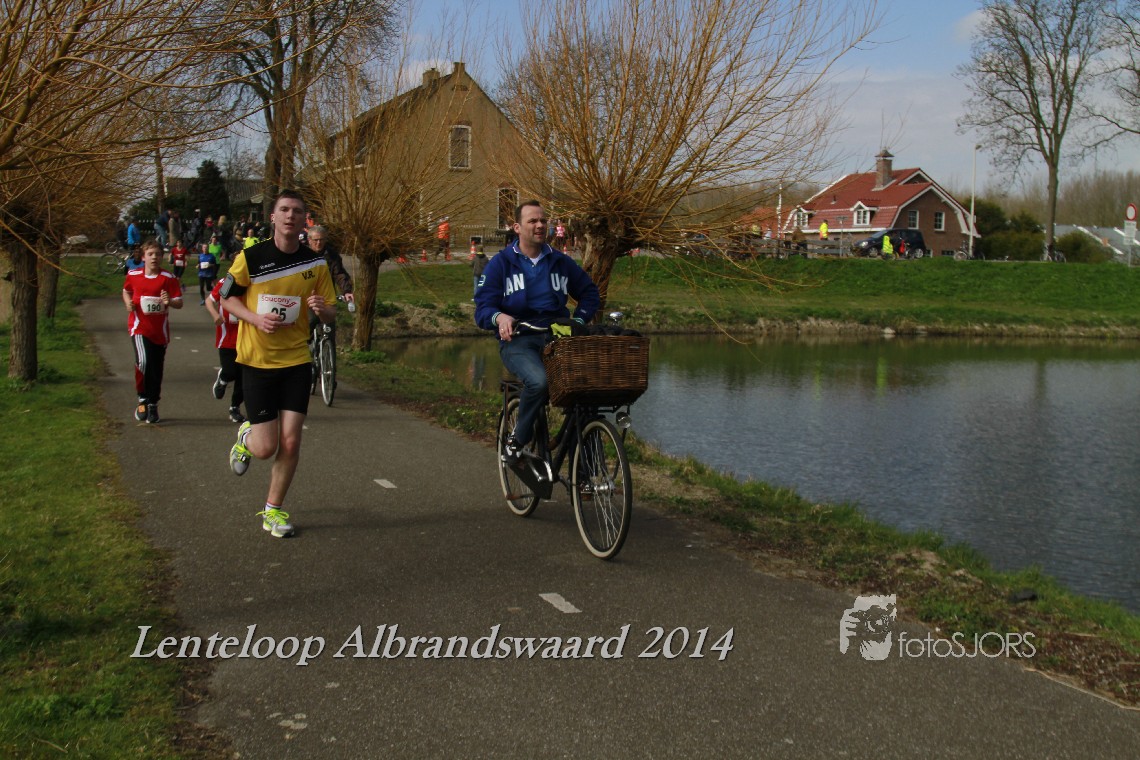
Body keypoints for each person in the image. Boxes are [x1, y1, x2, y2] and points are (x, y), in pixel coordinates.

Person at [220, 190, 337, 538]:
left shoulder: (315, 264)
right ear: (273, 217)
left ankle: (273, 510)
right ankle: (246, 436)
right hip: (258, 361)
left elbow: (330, 313)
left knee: (291, 441)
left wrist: (322, 309)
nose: (290, 216)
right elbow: (227, 299)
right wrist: (255, 318)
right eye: (284, 210)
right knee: (265, 447)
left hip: (296, 360)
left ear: (305, 221)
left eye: (297, 211)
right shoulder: (251, 257)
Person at [473, 200, 601, 461]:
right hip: (519, 340)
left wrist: (579, 321)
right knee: (539, 382)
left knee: (587, 388)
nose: (540, 225)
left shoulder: (560, 261)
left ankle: (585, 468)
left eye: (543, 220)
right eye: (532, 221)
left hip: (557, 338)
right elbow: (483, 308)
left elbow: (589, 293)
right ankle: (518, 440)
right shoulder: (501, 264)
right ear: (517, 227)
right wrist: (500, 318)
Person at [122, 239, 183, 424]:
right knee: (143, 361)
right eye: (150, 254)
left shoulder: (168, 278)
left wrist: (169, 301)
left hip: (160, 332)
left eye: (157, 254)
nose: (154, 257)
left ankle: (153, 403)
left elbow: (179, 302)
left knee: (156, 369)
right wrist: (128, 303)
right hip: (139, 327)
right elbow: (126, 291)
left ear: (162, 257)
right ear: (143, 257)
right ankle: (142, 398)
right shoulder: (133, 275)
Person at [305, 225, 354, 348]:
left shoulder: (332, 255)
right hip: (308, 297)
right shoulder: (302, 255)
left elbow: (339, 274)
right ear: (309, 240)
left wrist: (347, 291)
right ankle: (305, 350)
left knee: (330, 328)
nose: (319, 243)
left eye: (322, 239)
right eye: (316, 240)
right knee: (311, 321)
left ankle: (330, 356)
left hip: (326, 296)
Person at [205, 279, 246, 423]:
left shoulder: (254, 282)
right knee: (230, 371)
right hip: (227, 338)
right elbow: (209, 301)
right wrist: (215, 315)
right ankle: (223, 378)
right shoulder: (226, 282)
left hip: (247, 339)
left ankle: (235, 407)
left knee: (243, 376)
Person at [197, 236, 220, 304]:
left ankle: (215, 293)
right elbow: (198, 263)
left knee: (208, 288)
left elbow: (214, 264)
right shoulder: (200, 256)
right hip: (201, 274)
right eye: (204, 247)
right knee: (201, 287)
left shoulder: (211, 256)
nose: (205, 249)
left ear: (208, 248)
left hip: (208, 274)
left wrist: (210, 265)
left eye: (206, 247)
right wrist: (198, 265)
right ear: (202, 248)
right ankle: (203, 299)